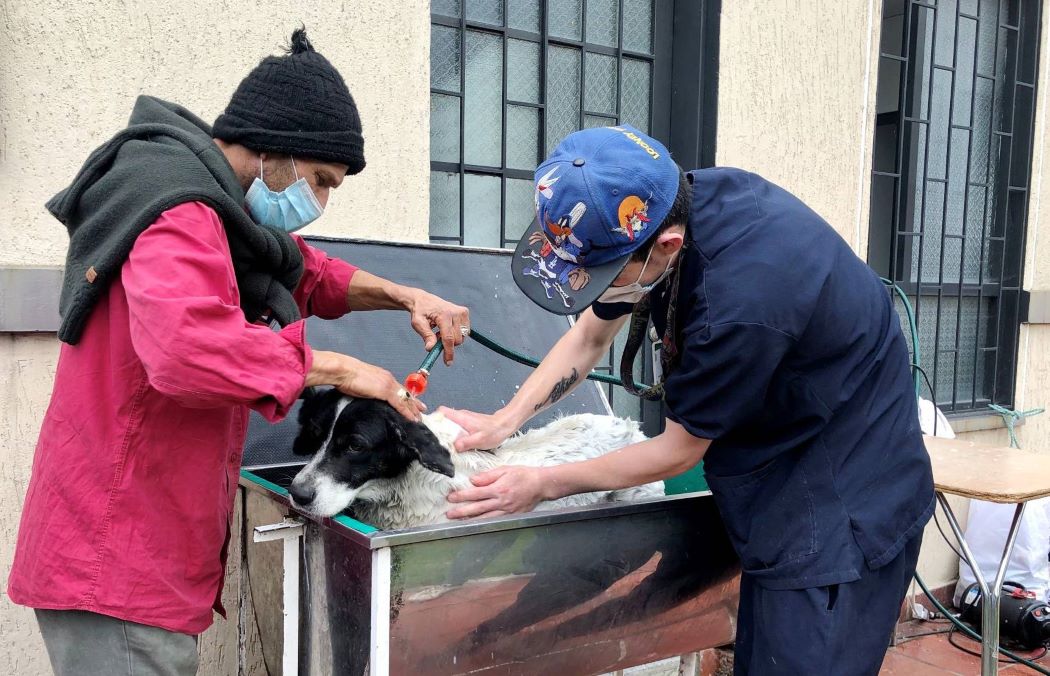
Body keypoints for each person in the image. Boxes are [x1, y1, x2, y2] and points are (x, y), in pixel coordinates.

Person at [7, 28, 469, 676]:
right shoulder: (176, 212)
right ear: (275, 152)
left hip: (146, 563)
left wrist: (404, 294)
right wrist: (343, 369)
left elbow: (306, 273)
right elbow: (184, 348)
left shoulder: (222, 219)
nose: (320, 202)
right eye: (321, 180)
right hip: (115, 567)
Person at [440, 124, 935, 674]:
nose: (595, 288)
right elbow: (589, 336)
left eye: (601, 274)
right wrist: (502, 424)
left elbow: (678, 451)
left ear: (666, 244)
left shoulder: (740, 300)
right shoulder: (670, 208)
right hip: (784, 449)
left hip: (842, 502)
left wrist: (542, 484)